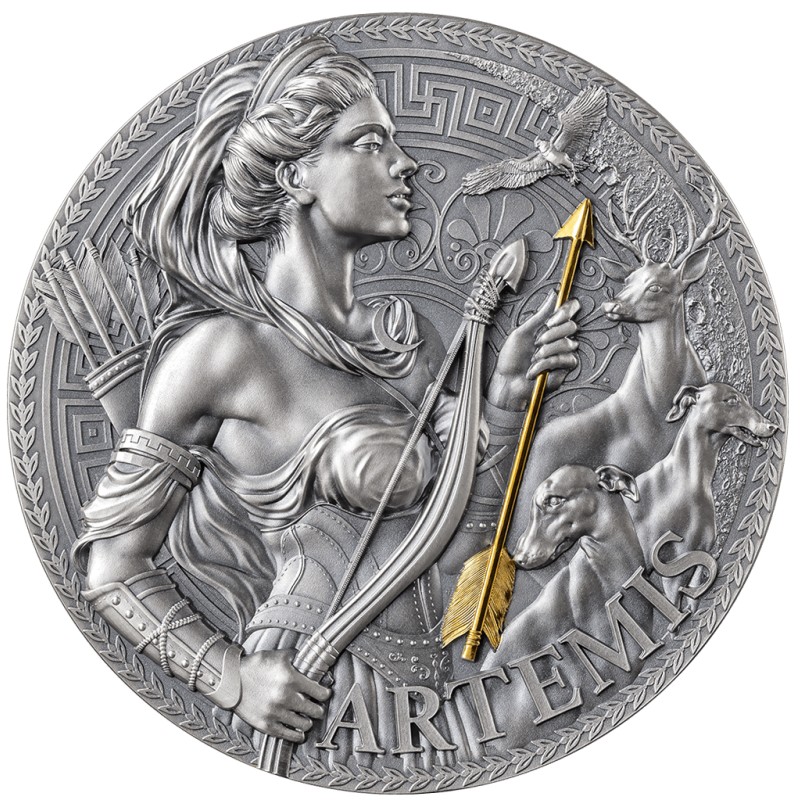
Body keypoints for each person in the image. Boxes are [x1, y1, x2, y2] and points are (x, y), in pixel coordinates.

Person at [72, 36, 579, 764]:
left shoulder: (404, 336)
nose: (405, 163)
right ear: (296, 174)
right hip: (313, 685)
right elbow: (112, 568)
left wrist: (503, 397)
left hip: (436, 695)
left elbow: (460, 532)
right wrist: (230, 680)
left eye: (394, 141)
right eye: (369, 143)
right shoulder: (221, 353)